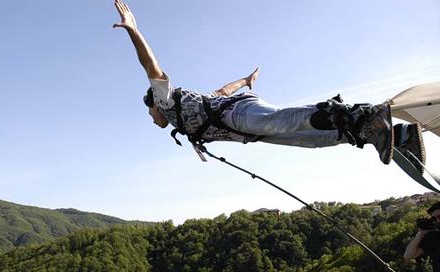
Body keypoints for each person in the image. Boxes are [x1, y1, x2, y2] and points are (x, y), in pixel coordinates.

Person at [112, 0, 425, 166]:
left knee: (281, 122)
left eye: (150, 114)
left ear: (155, 105)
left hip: (239, 115)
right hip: (244, 126)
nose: (153, 119)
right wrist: (245, 80)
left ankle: (362, 114)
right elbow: (222, 91)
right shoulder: (186, 112)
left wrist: (133, 31)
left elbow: (152, 68)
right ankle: (394, 135)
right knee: (309, 139)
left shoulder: (166, 101)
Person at [404, 202, 440, 272]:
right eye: (435, 218)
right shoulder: (434, 237)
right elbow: (408, 256)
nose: (438, 221)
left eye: (439, 216)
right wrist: (421, 234)